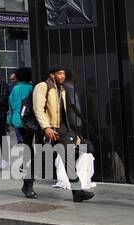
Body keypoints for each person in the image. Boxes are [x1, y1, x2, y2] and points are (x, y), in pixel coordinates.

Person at [31, 67, 93, 203]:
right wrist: (46, 127)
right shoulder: (42, 87)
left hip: (62, 129)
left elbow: (64, 112)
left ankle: (77, 192)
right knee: (41, 158)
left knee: (68, 159)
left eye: (64, 73)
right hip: (48, 127)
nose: (63, 76)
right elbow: (38, 109)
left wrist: (72, 132)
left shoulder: (62, 89)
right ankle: (27, 184)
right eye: (59, 73)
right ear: (52, 75)